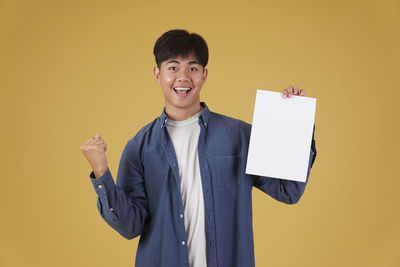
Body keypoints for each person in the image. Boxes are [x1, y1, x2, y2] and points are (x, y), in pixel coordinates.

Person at [80, 29, 317, 267]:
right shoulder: (139, 147)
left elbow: (288, 190)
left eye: (192, 68)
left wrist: (296, 121)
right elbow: (131, 226)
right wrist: (101, 172)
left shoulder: (240, 136)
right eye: (173, 68)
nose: (183, 77)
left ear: (204, 75)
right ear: (157, 74)